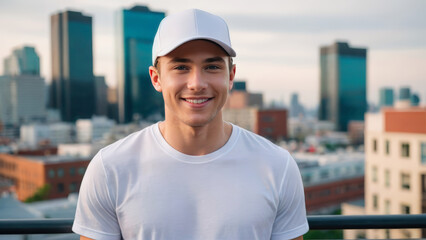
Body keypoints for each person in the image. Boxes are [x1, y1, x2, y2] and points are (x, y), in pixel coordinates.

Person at [72, 8, 309, 240]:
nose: (197, 83)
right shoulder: (110, 168)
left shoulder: (277, 166)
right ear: (157, 78)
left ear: (230, 76)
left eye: (212, 67)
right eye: (181, 67)